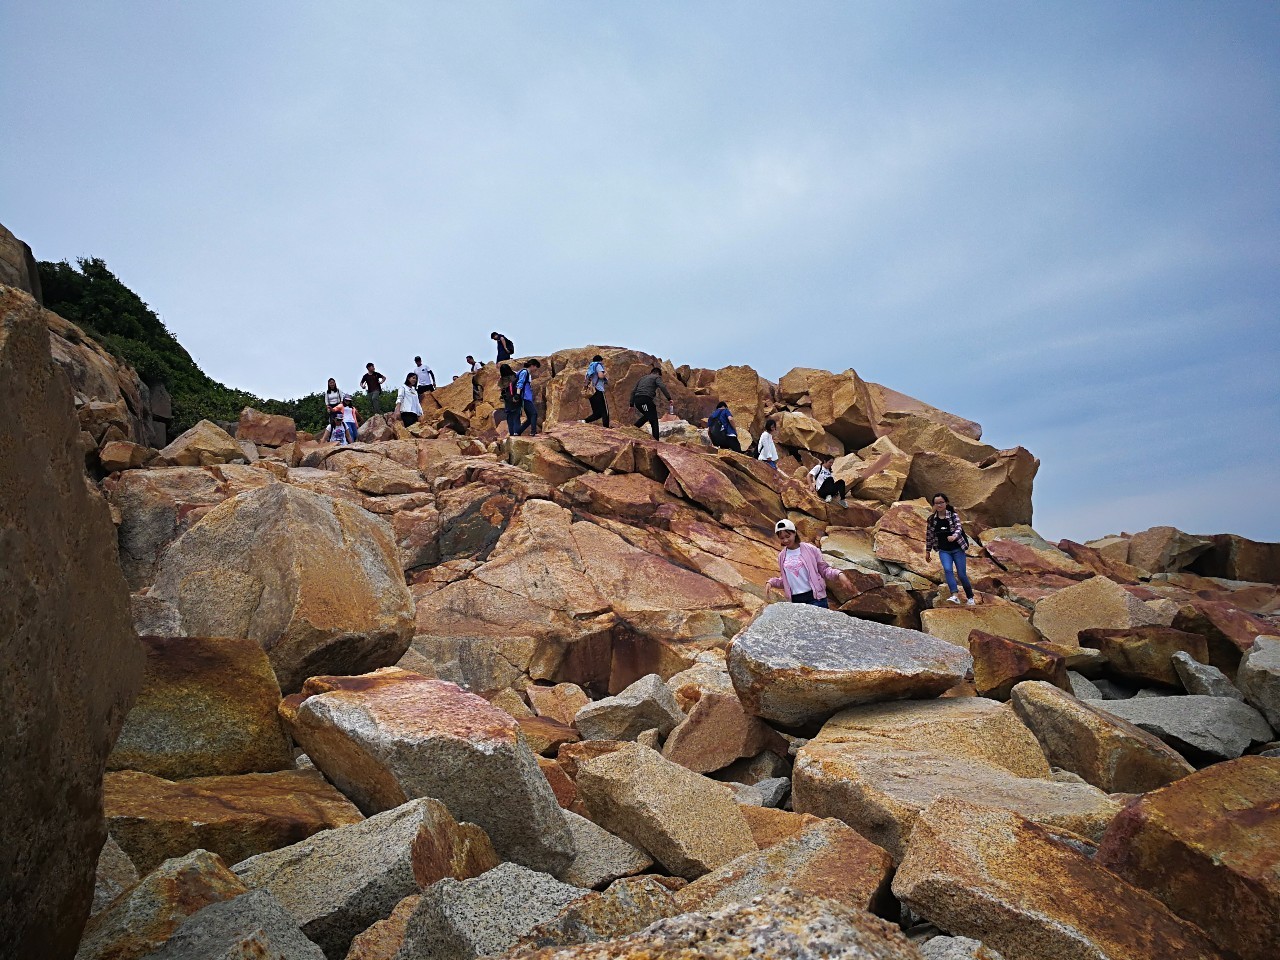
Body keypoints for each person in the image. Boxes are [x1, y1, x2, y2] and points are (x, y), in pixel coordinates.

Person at [766, 519, 857, 608]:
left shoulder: (810, 549)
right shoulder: (781, 556)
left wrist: (839, 574)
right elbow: (787, 580)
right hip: (795, 602)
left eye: (787, 536)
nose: (785, 540)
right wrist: (771, 582)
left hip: (816, 599)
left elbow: (824, 570)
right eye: (782, 538)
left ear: (794, 533)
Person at [925, 492, 977, 605]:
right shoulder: (932, 520)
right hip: (944, 550)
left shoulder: (953, 515)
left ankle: (970, 597)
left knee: (962, 574)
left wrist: (954, 536)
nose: (939, 505)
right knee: (948, 570)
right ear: (933, 505)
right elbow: (929, 535)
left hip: (958, 549)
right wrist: (927, 551)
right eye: (936, 503)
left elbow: (958, 528)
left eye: (941, 502)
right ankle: (954, 595)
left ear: (946, 503)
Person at [630, 366, 672, 440]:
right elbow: (662, 387)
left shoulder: (642, 378)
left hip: (638, 400)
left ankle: (655, 439)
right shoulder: (656, 377)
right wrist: (669, 398)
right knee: (650, 416)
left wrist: (631, 404)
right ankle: (633, 429)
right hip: (645, 399)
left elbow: (633, 391)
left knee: (652, 417)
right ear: (658, 373)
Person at [512, 358, 542, 436]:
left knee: (529, 418)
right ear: (532, 366)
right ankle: (533, 432)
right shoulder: (525, 372)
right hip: (524, 397)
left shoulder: (527, 373)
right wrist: (518, 395)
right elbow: (520, 383)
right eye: (536, 367)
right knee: (534, 413)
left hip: (526, 397)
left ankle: (518, 432)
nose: (536, 369)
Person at [583, 354, 610, 427]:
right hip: (598, 390)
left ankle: (584, 421)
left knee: (597, 413)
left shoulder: (589, 368)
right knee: (605, 411)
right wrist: (605, 374)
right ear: (600, 360)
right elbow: (600, 376)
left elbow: (586, 381)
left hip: (591, 392)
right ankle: (606, 428)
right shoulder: (598, 365)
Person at [498, 363, 521, 435]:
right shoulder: (515, 375)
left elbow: (501, 387)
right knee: (516, 416)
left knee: (509, 416)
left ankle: (511, 433)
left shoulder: (502, 379)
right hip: (515, 398)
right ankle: (517, 432)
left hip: (507, 399)